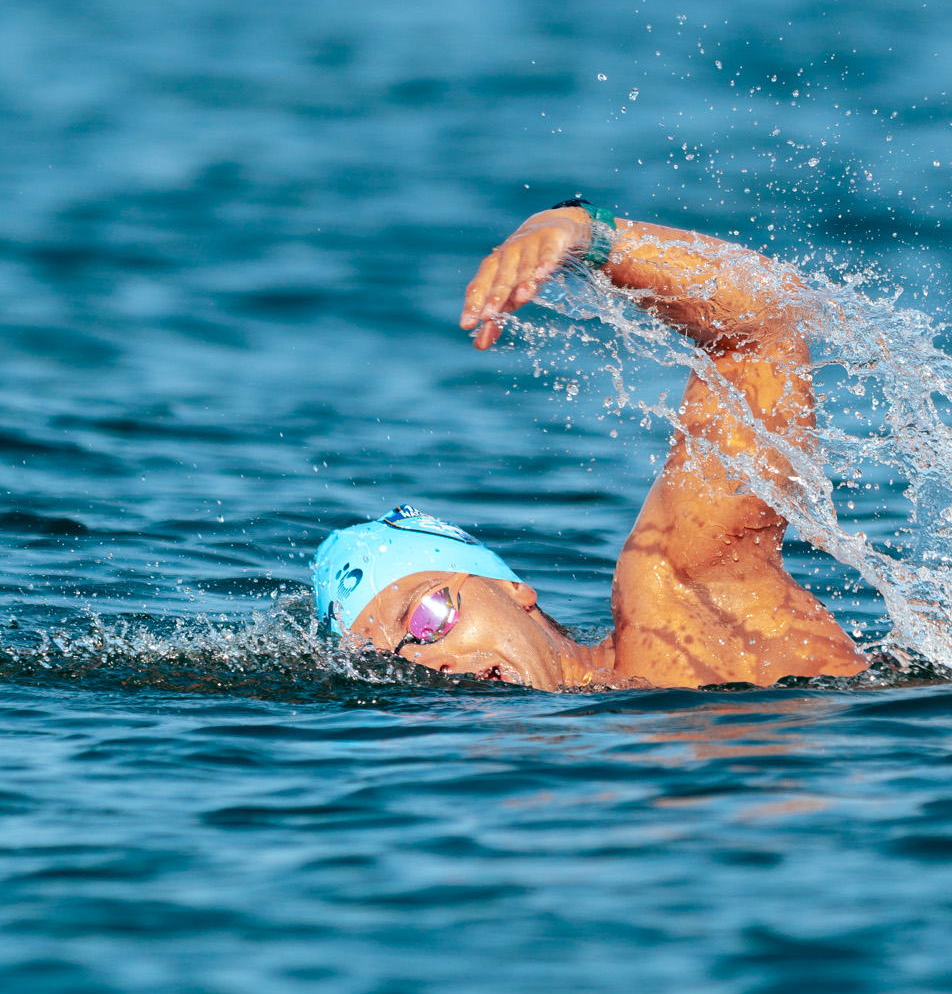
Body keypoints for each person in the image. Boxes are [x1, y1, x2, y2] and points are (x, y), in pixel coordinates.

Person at [311, 202, 869, 690]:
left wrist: (584, 234)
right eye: (389, 662)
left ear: (514, 591)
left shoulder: (678, 600)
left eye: (427, 617)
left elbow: (763, 330)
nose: (428, 661)